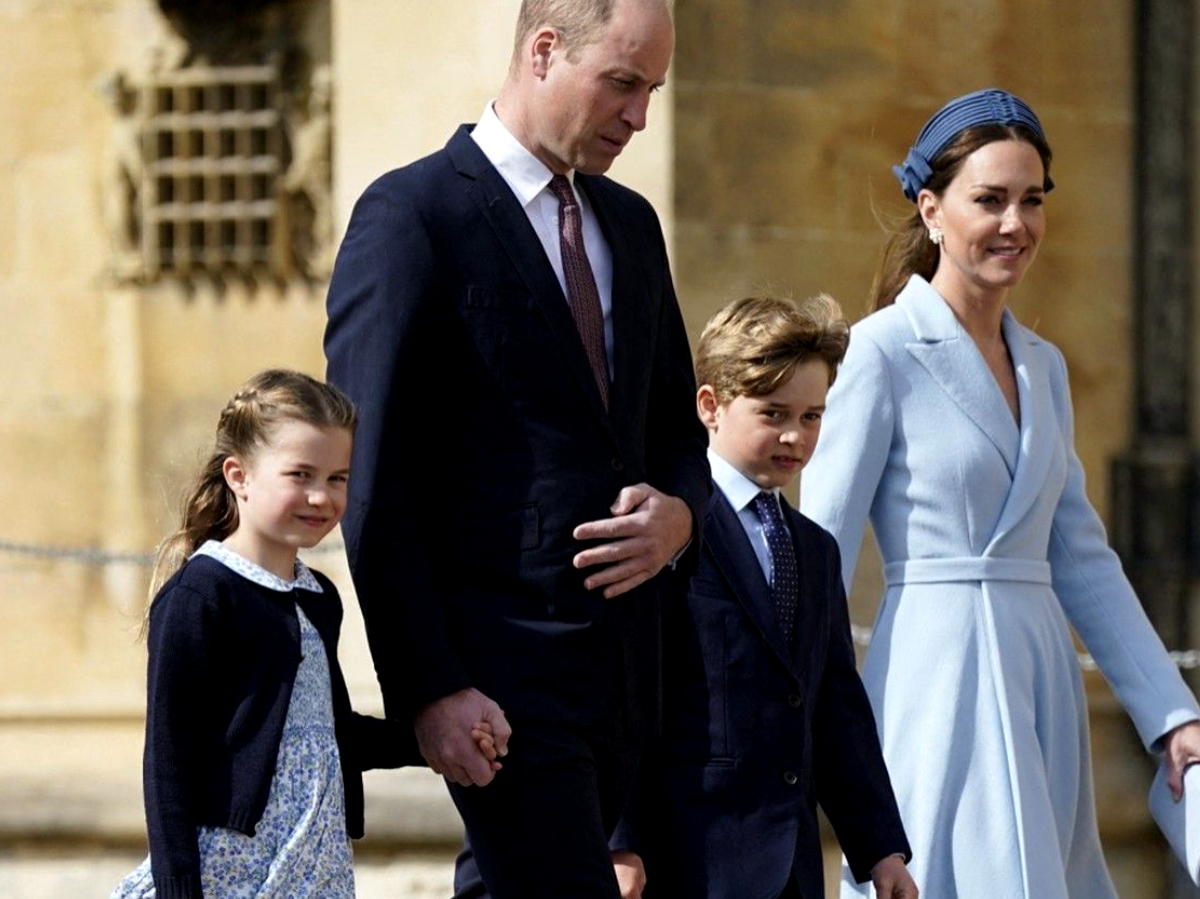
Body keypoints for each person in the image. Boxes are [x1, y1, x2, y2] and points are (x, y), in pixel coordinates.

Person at [322, 1, 710, 897]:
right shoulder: (412, 216)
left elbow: (677, 439)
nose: (639, 116)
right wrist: (429, 690)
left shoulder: (635, 227)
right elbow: (373, 482)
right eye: (621, 82)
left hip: (628, 687)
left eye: (653, 89)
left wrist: (681, 515)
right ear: (544, 51)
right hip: (498, 693)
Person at [799, 88, 1200, 899]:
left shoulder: (1045, 368)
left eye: (1032, 200)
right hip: (932, 682)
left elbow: (1083, 556)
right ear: (932, 208)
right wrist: (796, 720)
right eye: (990, 199)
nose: (1015, 223)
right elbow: (821, 554)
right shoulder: (879, 352)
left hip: (1039, 675)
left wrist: (1172, 713)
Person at [109, 369, 499, 899]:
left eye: (338, 478)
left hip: (315, 866)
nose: (322, 497)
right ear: (238, 475)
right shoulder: (201, 595)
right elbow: (168, 761)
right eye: (301, 474)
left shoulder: (319, 598)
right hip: (230, 870)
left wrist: (430, 738)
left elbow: (327, 732)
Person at [614, 295, 918, 899]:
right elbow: (625, 690)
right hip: (686, 862)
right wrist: (619, 838)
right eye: (773, 412)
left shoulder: (815, 549)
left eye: (812, 417)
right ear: (710, 406)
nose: (794, 436)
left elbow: (835, 706)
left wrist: (880, 849)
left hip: (793, 872)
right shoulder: (667, 529)